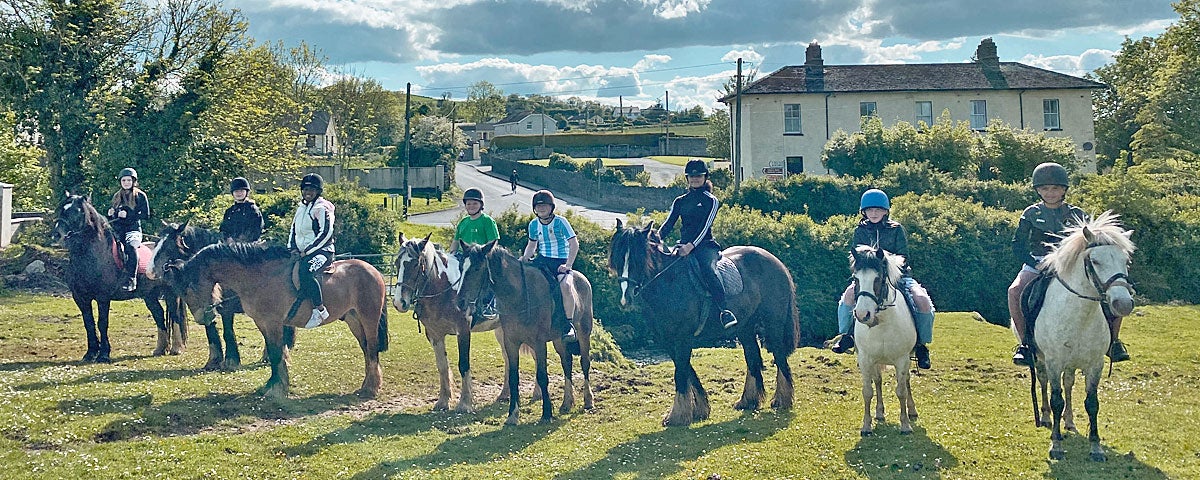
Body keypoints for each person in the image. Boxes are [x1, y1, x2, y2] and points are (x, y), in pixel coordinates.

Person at [1009, 162, 1129, 365]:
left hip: (1071, 265)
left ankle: (1113, 342)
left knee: (1114, 290)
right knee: (1014, 291)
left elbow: (1091, 244)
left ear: (1064, 190)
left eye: (1055, 188)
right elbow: (1018, 245)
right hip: (1038, 263)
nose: (1050, 193)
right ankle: (1025, 345)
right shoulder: (1030, 214)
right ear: (1038, 190)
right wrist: (1033, 263)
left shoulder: (1078, 214)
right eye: (1045, 189)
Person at [830, 189, 936, 369]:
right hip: (868, 278)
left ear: (886, 211)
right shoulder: (860, 231)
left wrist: (888, 267)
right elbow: (858, 257)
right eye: (870, 210)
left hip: (897, 277)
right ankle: (846, 336)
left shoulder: (896, 229)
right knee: (847, 298)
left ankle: (921, 346)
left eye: (878, 210)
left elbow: (904, 256)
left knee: (922, 300)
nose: (874, 213)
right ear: (864, 212)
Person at [660, 159, 738, 329]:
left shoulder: (711, 200)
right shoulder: (680, 201)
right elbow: (668, 224)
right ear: (687, 178)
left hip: (705, 247)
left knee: (708, 271)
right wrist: (654, 239)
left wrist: (691, 246)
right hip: (683, 247)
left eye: (699, 176)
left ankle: (724, 311)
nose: (695, 179)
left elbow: (705, 227)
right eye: (692, 176)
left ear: (705, 177)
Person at [517, 190, 579, 342]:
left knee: (565, 286)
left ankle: (568, 324)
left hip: (560, 262)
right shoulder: (533, 224)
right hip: (542, 260)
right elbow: (532, 245)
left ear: (551, 207)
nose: (541, 209)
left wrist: (568, 265)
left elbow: (574, 244)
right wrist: (525, 258)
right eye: (538, 206)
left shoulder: (561, 222)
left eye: (545, 206)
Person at [288, 173, 336, 329]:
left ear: (318, 191)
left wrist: (307, 251)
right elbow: (293, 230)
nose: (308, 192)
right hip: (302, 252)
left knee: (306, 271)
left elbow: (326, 233)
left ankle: (319, 310)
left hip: (323, 252)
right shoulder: (301, 208)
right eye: (306, 189)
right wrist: (292, 248)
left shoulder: (321, 208)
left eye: (312, 189)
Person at [450, 188, 500, 322]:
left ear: (481, 205)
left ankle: (488, 305)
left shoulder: (487, 221)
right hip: (465, 257)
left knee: (485, 278)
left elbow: (492, 242)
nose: (471, 206)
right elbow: (455, 241)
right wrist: (451, 255)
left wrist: (482, 254)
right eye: (469, 204)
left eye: (475, 204)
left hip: (481, 258)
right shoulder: (463, 222)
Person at [108, 167, 150, 292]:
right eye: (124, 180)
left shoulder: (141, 195)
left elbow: (146, 215)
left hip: (133, 230)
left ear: (133, 181)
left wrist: (129, 215)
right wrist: (111, 214)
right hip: (118, 230)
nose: (126, 182)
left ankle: (132, 279)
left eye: (128, 180)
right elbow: (116, 217)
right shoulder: (116, 196)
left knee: (130, 247)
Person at [219, 177, 263, 244]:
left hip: (248, 247)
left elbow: (256, 230)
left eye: (241, 191)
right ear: (232, 193)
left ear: (246, 192)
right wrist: (227, 238)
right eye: (236, 191)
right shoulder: (229, 211)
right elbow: (223, 229)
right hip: (230, 246)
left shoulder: (253, 210)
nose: (239, 193)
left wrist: (239, 242)